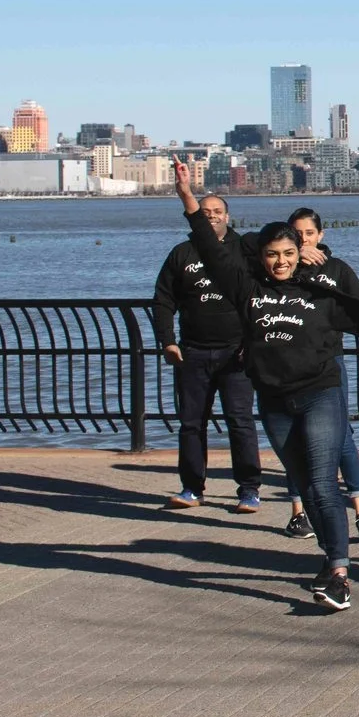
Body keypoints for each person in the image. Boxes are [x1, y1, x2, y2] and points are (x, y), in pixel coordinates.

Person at [172, 163, 359, 612]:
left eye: (289, 253)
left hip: (320, 394)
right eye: (272, 254)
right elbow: (208, 242)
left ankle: (340, 574)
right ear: (260, 257)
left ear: (300, 254)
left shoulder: (321, 295)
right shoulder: (245, 289)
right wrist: (187, 195)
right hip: (274, 401)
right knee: (303, 482)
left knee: (321, 484)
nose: (281, 261)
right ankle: (329, 557)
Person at [150, 188, 265, 510]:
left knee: (240, 421)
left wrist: (254, 341)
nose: (211, 216)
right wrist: (168, 341)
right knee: (191, 423)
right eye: (205, 212)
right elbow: (163, 300)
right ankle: (191, 488)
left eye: (217, 211)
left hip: (237, 353)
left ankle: (249, 490)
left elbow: (267, 288)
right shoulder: (182, 253)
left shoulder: (245, 250)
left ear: (228, 216)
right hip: (193, 352)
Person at [286, 208, 359, 543]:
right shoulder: (280, 268)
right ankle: (297, 514)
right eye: (297, 234)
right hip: (288, 365)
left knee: (342, 434)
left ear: (321, 235)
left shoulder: (337, 270)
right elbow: (243, 252)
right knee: (295, 440)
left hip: (330, 362)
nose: (304, 240)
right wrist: (292, 255)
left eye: (309, 233)